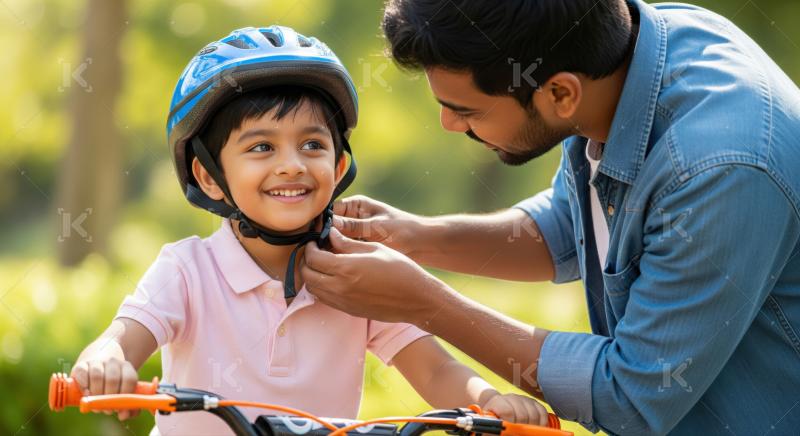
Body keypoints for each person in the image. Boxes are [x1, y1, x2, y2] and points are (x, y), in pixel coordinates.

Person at [301, 1, 800, 434]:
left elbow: (632, 398)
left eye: (467, 110)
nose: (448, 125)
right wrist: (416, 236)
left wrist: (422, 303)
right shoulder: (620, 54)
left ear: (560, 94)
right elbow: (571, 226)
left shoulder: (719, 170)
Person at [69, 25, 549, 436]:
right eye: (261, 148)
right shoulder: (187, 271)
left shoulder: (357, 272)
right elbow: (124, 338)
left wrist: (489, 399)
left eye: (312, 145)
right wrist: (106, 361)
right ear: (209, 177)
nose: (292, 166)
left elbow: (433, 367)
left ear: (339, 166)